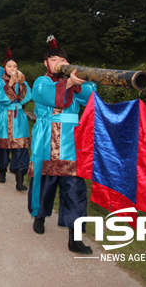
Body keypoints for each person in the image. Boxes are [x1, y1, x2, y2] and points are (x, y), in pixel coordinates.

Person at [27, 35, 96, 254]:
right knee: (45, 185)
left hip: (71, 144)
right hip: (47, 141)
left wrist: (76, 83)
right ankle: (40, 216)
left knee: (75, 192)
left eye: (63, 60)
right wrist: (68, 84)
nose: (59, 63)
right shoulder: (41, 82)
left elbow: (91, 95)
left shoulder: (76, 82)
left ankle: (74, 239)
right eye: (54, 59)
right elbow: (47, 96)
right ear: (46, 63)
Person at [0, 49, 31, 191]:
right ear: (4, 68)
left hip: (19, 117)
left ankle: (20, 180)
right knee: (3, 147)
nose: (13, 69)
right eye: (9, 66)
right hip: (4, 118)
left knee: (20, 148)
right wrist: (10, 84)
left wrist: (22, 85)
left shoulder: (22, 82)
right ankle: (2, 171)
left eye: (15, 66)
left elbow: (28, 97)